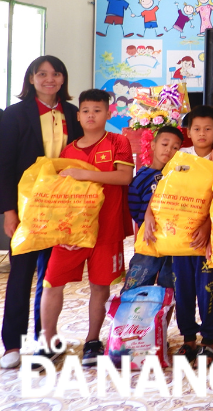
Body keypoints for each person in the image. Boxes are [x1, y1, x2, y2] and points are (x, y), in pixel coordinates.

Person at [40, 89, 134, 365]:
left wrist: (84, 174)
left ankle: (93, 340)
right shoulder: (68, 150)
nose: (91, 115)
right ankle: (48, 342)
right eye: (86, 111)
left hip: (107, 230)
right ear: (78, 116)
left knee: (100, 286)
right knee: (51, 283)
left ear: (108, 113)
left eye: (97, 110)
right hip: (71, 232)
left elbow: (124, 177)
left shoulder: (118, 142)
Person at [1, 56, 83, 369]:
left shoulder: (73, 114)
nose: (50, 79)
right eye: (42, 74)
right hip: (26, 209)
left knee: (52, 277)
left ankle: (45, 339)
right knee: (21, 275)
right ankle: (12, 344)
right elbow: (4, 166)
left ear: (63, 80)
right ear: (31, 78)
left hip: (61, 209)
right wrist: (9, 211)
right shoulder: (14, 114)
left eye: (56, 74)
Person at [169, 105, 213, 363]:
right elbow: (167, 190)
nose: (202, 134)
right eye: (196, 129)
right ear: (188, 132)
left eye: (208, 129)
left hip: (210, 237)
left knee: (209, 289)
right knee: (182, 289)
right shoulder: (180, 155)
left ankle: (208, 340)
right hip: (180, 236)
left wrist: (207, 226)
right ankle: (188, 339)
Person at [122, 126, 183, 291]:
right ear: (153, 145)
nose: (168, 150)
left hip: (172, 243)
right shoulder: (141, 177)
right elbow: (133, 207)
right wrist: (145, 225)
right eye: (164, 144)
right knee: (135, 287)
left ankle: (163, 317)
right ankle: (132, 316)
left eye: (175, 147)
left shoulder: (179, 177)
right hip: (148, 241)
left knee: (169, 290)